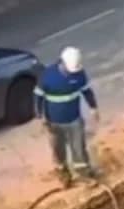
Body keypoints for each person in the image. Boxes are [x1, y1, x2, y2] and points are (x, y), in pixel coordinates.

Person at [34, 46, 100, 187]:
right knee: (58, 151)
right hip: (53, 122)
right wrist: (39, 116)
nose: (72, 74)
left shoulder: (79, 74)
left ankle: (84, 175)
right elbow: (38, 96)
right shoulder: (48, 76)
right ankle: (64, 177)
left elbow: (87, 91)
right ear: (62, 63)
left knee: (79, 149)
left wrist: (93, 108)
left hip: (74, 120)